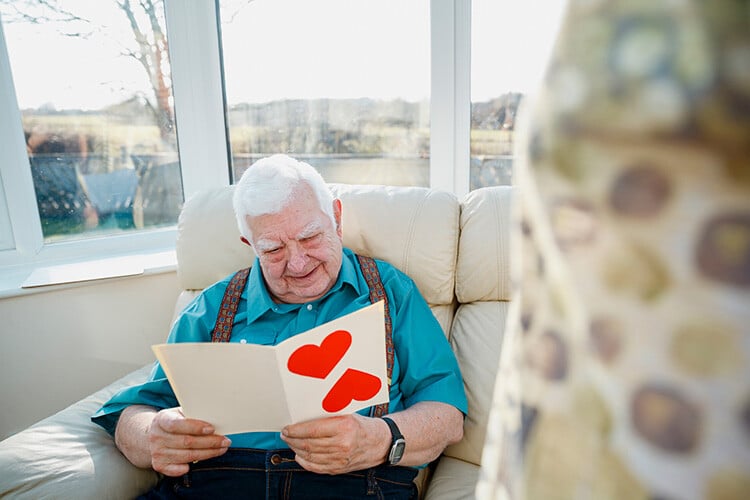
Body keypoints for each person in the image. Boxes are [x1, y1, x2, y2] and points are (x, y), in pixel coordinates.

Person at [92, 154, 467, 499]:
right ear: (249, 243)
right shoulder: (210, 306)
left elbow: (447, 413)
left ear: (336, 218)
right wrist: (150, 434)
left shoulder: (391, 292)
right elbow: (136, 411)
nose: (298, 263)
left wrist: (380, 438)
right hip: (217, 484)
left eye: (310, 237)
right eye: (273, 249)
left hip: (350, 485)